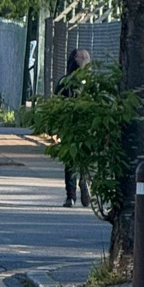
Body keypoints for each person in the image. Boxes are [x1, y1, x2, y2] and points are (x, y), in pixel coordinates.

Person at [57, 48, 92, 208]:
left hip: (76, 125)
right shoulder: (85, 84)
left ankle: (76, 192)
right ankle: (79, 186)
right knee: (78, 159)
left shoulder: (68, 82)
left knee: (74, 160)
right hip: (80, 125)